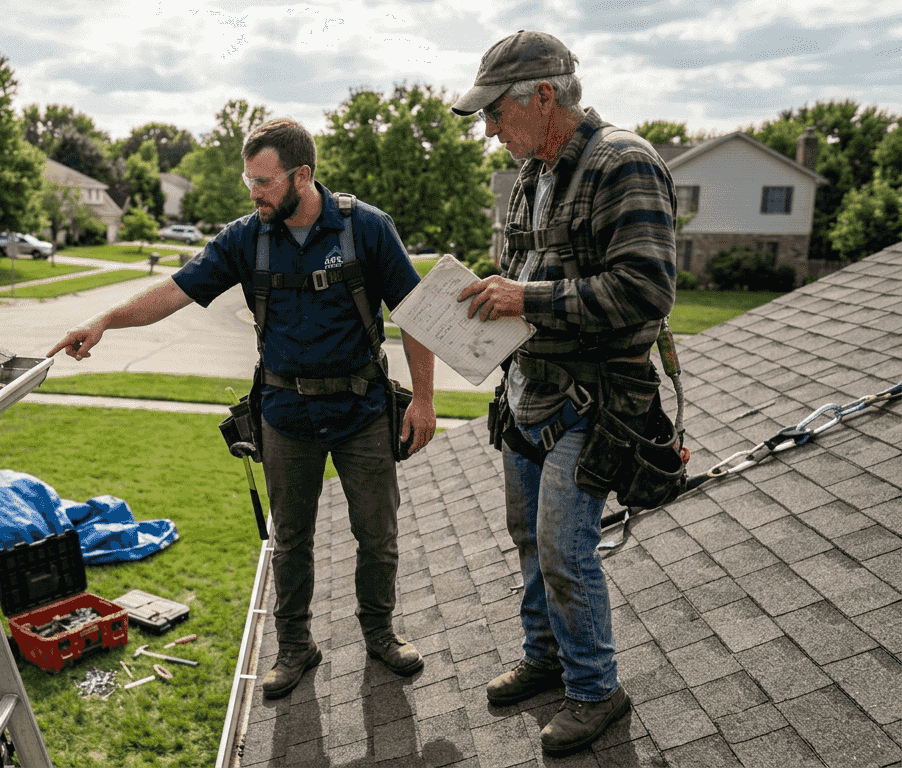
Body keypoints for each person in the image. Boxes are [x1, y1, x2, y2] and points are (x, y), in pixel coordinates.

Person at [48, 117, 437, 700]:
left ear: (302, 176)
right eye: (247, 180)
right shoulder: (245, 237)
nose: (253, 193)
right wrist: (103, 319)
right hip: (284, 415)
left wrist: (426, 401)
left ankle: (380, 634)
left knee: (377, 536)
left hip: (361, 412)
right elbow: (172, 293)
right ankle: (295, 646)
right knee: (290, 541)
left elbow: (418, 316)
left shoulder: (367, 229)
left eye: (264, 181)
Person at [450, 30, 677, 754]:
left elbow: (646, 290)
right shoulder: (531, 173)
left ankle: (594, 692)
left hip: (594, 399)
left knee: (563, 549)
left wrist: (527, 299)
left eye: (495, 113)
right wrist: (489, 293)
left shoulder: (624, 163)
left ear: (544, 96)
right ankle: (545, 658)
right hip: (529, 394)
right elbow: (521, 271)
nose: (488, 130)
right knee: (527, 539)